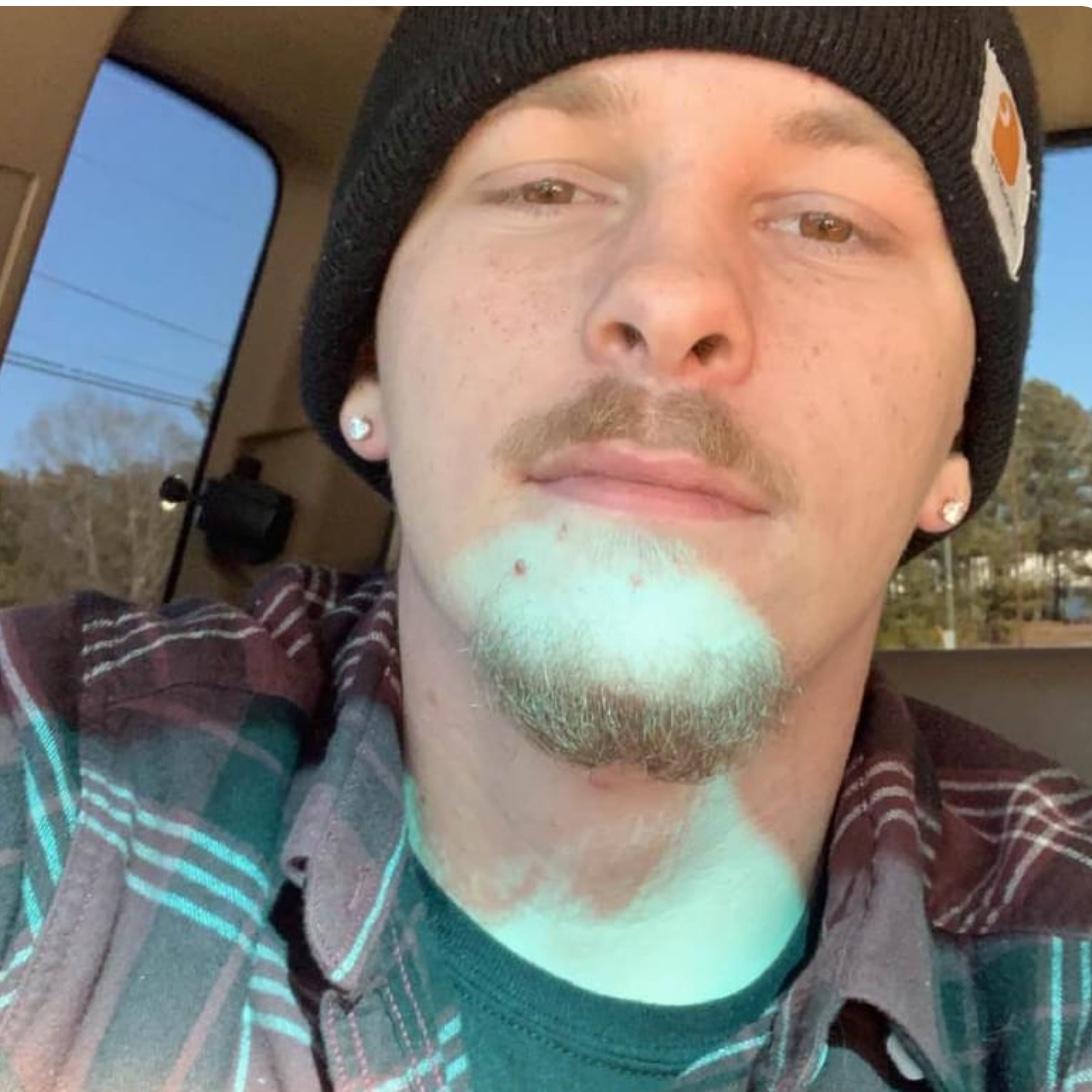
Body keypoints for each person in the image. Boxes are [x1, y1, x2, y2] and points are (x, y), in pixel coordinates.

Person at [0, 8, 1089, 1091]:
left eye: (826, 223)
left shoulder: (1062, 951)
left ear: (955, 438)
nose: (670, 297)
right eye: (547, 189)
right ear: (368, 362)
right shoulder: (54, 767)